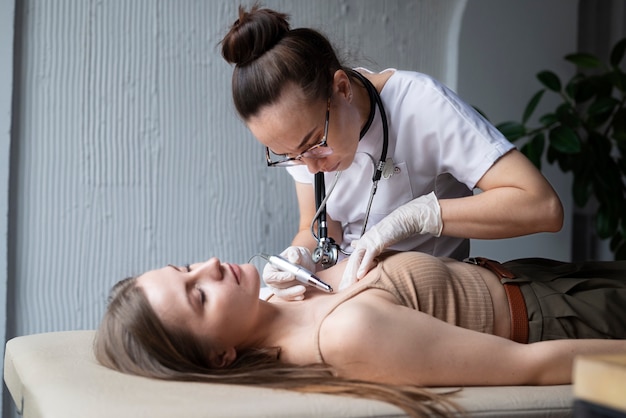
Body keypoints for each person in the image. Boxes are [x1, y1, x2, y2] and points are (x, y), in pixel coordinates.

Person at [219, 5, 564, 300]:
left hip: (426, 293)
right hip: (348, 289)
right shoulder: (301, 141)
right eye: (289, 155)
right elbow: (323, 226)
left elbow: (541, 206)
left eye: (314, 144)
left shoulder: (420, 104)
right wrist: (298, 258)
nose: (310, 168)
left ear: (341, 88)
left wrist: (420, 215)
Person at [95, 251, 626, 418]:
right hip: (574, 319)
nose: (209, 265)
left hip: (544, 277)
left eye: (184, 266)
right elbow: (532, 369)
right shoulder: (344, 334)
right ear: (220, 357)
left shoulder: (280, 300)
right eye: (198, 295)